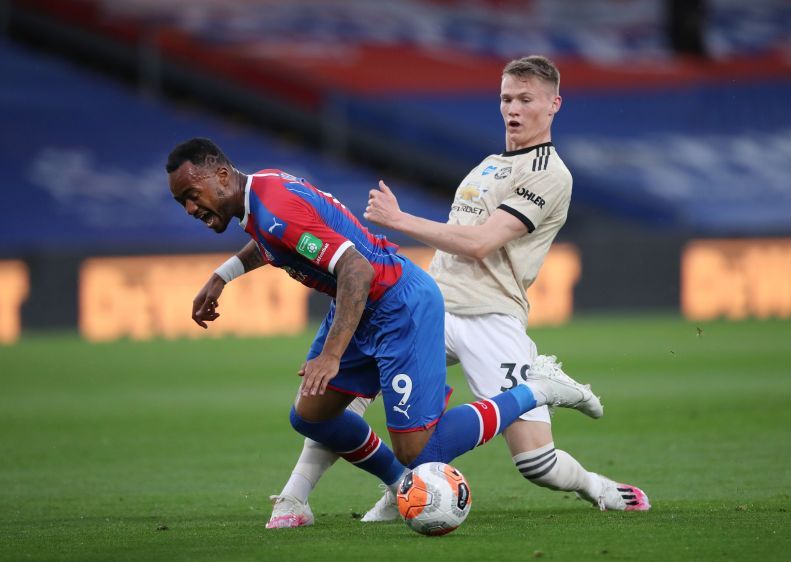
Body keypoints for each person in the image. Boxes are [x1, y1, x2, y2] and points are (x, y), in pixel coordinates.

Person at [266, 55, 649, 529]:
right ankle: (296, 497)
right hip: (433, 306)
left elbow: (480, 243)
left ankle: (596, 482)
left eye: (526, 99)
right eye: (507, 97)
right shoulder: (487, 165)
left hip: (492, 315)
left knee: (537, 465)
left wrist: (400, 220)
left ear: (554, 105)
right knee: (344, 389)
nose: (513, 108)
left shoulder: (551, 173)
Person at [165, 137, 603, 527]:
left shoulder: (274, 205)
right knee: (311, 416)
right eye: (181, 200)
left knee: (421, 453)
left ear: (221, 175)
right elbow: (274, 240)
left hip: (399, 306)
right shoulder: (259, 192)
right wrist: (224, 275)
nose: (189, 208)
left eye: (192, 194)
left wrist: (332, 354)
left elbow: (354, 267)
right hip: (361, 306)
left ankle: (537, 389)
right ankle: (398, 486)